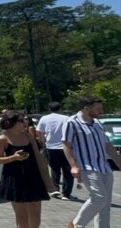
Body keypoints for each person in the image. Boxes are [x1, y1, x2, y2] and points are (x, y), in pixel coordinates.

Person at [63, 97, 121, 228]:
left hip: (104, 167)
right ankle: (76, 224)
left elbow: (107, 144)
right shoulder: (72, 123)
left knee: (105, 204)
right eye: (98, 109)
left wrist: (118, 162)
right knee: (99, 197)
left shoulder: (97, 123)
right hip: (86, 166)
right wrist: (73, 166)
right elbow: (66, 144)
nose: (101, 111)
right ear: (86, 108)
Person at [0, 111, 49, 228]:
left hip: (33, 176)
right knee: (21, 215)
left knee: (35, 212)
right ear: (12, 123)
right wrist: (13, 157)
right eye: (21, 120)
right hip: (14, 177)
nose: (24, 122)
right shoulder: (3, 139)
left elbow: (37, 155)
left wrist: (46, 177)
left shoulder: (28, 136)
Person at [36, 101, 73, 200]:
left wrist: (43, 142)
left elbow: (39, 132)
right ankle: (66, 193)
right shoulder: (66, 118)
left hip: (50, 146)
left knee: (54, 169)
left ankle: (55, 189)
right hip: (65, 146)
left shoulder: (44, 118)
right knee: (68, 170)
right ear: (60, 108)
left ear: (49, 109)